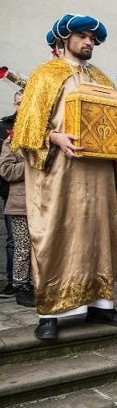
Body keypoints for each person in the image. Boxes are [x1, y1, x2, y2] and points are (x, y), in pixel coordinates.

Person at [11, 14, 117, 340]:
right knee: (57, 235)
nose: (89, 42)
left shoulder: (104, 79)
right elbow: (24, 130)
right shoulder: (44, 76)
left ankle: (102, 305)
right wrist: (55, 138)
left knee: (99, 234)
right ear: (64, 39)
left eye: (93, 39)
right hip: (59, 173)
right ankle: (49, 313)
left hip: (98, 176)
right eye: (82, 36)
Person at [0, 96, 35, 307]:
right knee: (22, 246)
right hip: (19, 204)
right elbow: (6, 170)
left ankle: (34, 284)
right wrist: (31, 165)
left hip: (42, 203)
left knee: (38, 247)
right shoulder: (11, 139)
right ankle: (21, 286)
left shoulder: (42, 137)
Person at [0, 90, 20, 299]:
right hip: (11, 193)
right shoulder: (5, 127)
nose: (21, 107)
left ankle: (27, 282)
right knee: (14, 241)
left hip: (37, 197)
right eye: (18, 103)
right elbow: (5, 166)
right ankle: (14, 282)